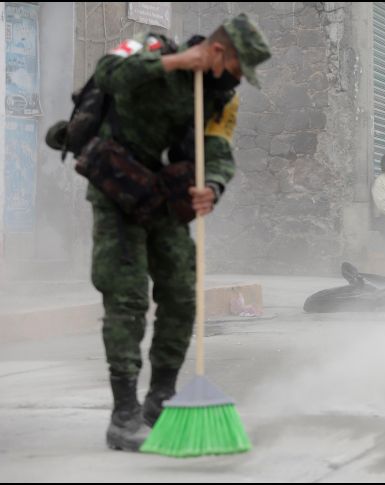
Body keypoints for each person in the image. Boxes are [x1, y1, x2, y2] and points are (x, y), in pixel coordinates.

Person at [84, 14, 270, 451]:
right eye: (240, 68)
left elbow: (219, 149)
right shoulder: (151, 47)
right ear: (220, 53)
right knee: (126, 296)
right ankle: (124, 413)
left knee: (182, 294)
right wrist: (174, 63)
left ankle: (160, 398)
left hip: (165, 196)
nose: (240, 80)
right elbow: (107, 73)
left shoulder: (223, 99)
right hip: (117, 188)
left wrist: (213, 186)